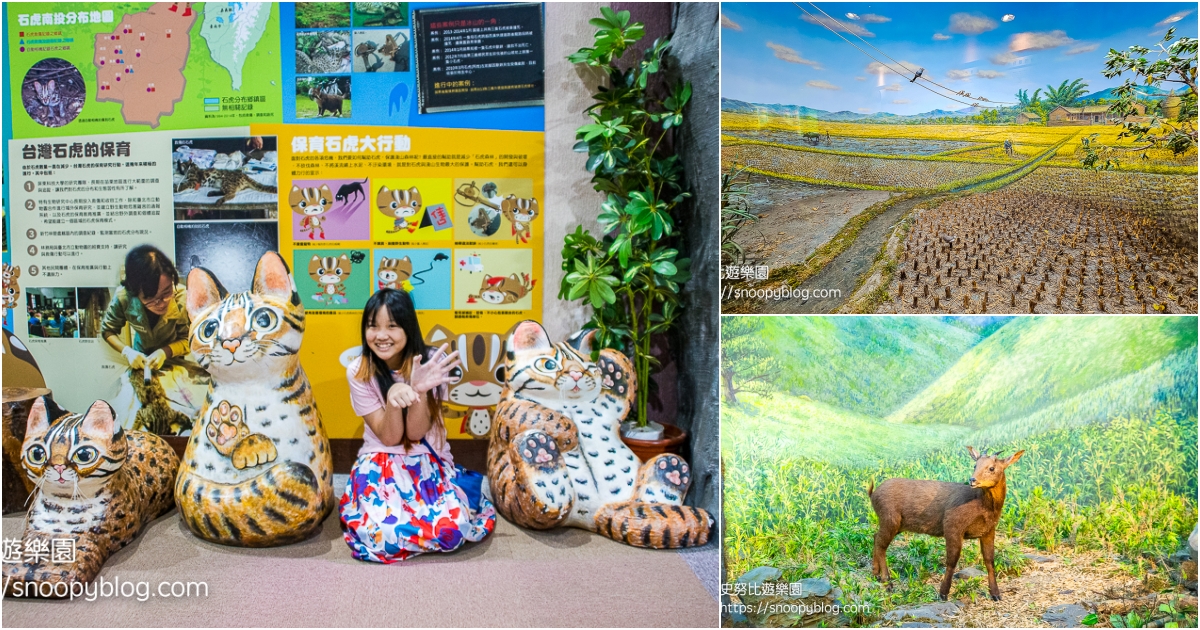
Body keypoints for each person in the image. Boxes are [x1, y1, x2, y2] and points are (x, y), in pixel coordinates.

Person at [340, 289, 495, 563]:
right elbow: (389, 438)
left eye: (392, 326)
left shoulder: (430, 363)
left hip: (426, 461)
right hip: (380, 460)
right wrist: (392, 399)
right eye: (372, 326)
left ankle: (414, 529)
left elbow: (415, 433)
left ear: (408, 328)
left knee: (453, 530)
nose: (381, 335)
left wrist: (419, 391)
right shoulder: (359, 370)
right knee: (381, 533)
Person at [102, 244, 209, 433]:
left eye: (166, 292)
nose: (161, 304)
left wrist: (165, 352)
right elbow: (108, 331)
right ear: (135, 292)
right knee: (127, 413)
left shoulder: (183, 297)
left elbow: (189, 339)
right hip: (139, 363)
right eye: (150, 298)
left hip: (176, 362)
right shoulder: (124, 297)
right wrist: (127, 352)